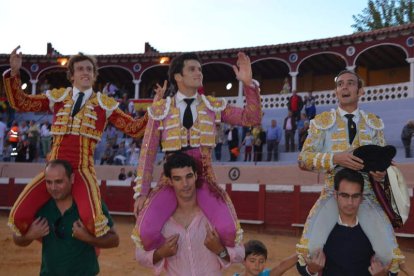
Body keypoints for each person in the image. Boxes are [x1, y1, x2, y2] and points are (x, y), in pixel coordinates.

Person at [4, 46, 159, 238]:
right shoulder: (58, 98)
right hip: (52, 170)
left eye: (89, 69)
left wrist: (154, 109)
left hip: (82, 171)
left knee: (94, 222)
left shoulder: (104, 105)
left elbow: (134, 128)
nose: (85, 72)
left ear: (94, 76)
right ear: (72, 75)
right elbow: (21, 103)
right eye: (80, 69)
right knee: (19, 216)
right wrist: (14, 72)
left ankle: (87, 249)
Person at [132, 52, 262, 252]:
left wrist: (248, 84)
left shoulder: (212, 106)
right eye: (192, 69)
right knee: (145, 233)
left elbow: (251, 118)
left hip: (204, 177)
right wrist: (141, 192)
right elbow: (148, 152)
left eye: (200, 69)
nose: (198, 73)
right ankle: (175, 260)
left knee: (229, 232)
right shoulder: (160, 109)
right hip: (170, 179)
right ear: (178, 76)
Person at [296, 70, 403, 273]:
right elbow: (303, 159)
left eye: (350, 83)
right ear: (336, 92)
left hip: (367, 195)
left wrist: (381, 174)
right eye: (340, 84)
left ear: (360, 90)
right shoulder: (322, 122)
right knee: (309, 250)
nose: (344, 87)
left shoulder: (374, 123)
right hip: (332, 194)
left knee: (388, 255)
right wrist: (335, 158)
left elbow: (385, 163)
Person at [135, 153, 244, 275]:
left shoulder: (212, 216)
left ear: (196, 176)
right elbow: (140, 256)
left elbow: (240, 253)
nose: (185, 184)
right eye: (178, 179)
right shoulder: (162, 221)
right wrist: (160, 253)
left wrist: (220, 250)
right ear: (170, 181)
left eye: (189, 176)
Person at [12, 159, 119, 275]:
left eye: (59, 182)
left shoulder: (90, 204)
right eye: (49, 182)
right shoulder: (41, 207)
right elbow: (17, 239)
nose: (53, 187)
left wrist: (88, 238)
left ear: (72, 178)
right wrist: (29, 235)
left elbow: (114, 240)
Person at [297, 168, 396, 275]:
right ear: (335, 195)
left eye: (355, 196)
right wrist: (312, 270)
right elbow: (302, 265)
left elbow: (392, 269)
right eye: (344, 195)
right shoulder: (322, 228)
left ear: (362, 197)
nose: (350, 202)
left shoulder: (374, 229)